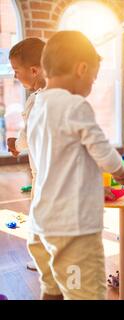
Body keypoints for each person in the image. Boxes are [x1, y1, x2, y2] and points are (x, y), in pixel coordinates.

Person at [26, 31, 124, 300]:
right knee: (86, 293)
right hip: (73, 231)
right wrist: (119, 171)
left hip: (42, 224)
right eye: (94, 78)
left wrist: (92, 187)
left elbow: (61, 162)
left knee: (53, 288)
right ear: (81, 69)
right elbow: (101, 149)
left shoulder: (37, 104)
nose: (92, 84)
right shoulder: (75, 105)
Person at [7, 38, 47, 272]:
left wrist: (19, 143)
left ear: (33, 70)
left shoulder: (48, 99)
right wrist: (18, 144)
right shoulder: (37, 97)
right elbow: (29, 132)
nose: (14, 76)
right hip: (40, 173)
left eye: (16, 71)